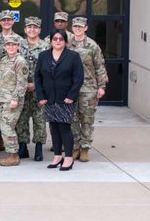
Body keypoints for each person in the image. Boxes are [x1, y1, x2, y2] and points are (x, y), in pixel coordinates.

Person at [35, 29, 84, 171]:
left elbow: (78, 78)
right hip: (49, 98)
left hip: (66, 99)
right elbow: (37, 77)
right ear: (51, 41)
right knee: (54, 128)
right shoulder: (43, 56)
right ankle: (57, 156)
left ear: (65, 41)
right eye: (55, 38)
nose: (57, 41)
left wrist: (71, 96)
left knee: (64, 128)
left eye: (61, 39)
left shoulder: (73, 56)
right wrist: (41, 96)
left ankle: (68, 158)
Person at [68, 16, 107, 163]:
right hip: (71, 88)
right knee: (72, 119)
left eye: (80, 26)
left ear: (86, 28)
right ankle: (75, 147)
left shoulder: (92, 45)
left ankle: (85, 148)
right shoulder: (67, 43)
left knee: (86, 120)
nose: (77, 29)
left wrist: (102, 86)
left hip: (88, 88)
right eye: (75, 26)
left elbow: (99, 66)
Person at [18, 17, 49, 162]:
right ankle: (22, 146)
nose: (32, 30)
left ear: (39, 30)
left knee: (39, 119)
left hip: (40, 89)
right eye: (29, 27)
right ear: (25, 29)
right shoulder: (18, 45)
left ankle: (38, 147)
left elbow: (49, 69)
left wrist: (37, 84)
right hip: (22, 89)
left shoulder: (46, 46)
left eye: (35, 27)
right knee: (21, 118)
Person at [0, 35, 30, 167]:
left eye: (13, 45)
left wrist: (15, 99)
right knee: (4, 127)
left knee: (8, 127)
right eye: (8, 44)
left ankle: (13, 155)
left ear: (18, 47)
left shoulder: (20, 61)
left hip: (12, 100)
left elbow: (22, 83)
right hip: (1, 99)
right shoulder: (4, 60)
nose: (11, 47)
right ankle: (10, 153)